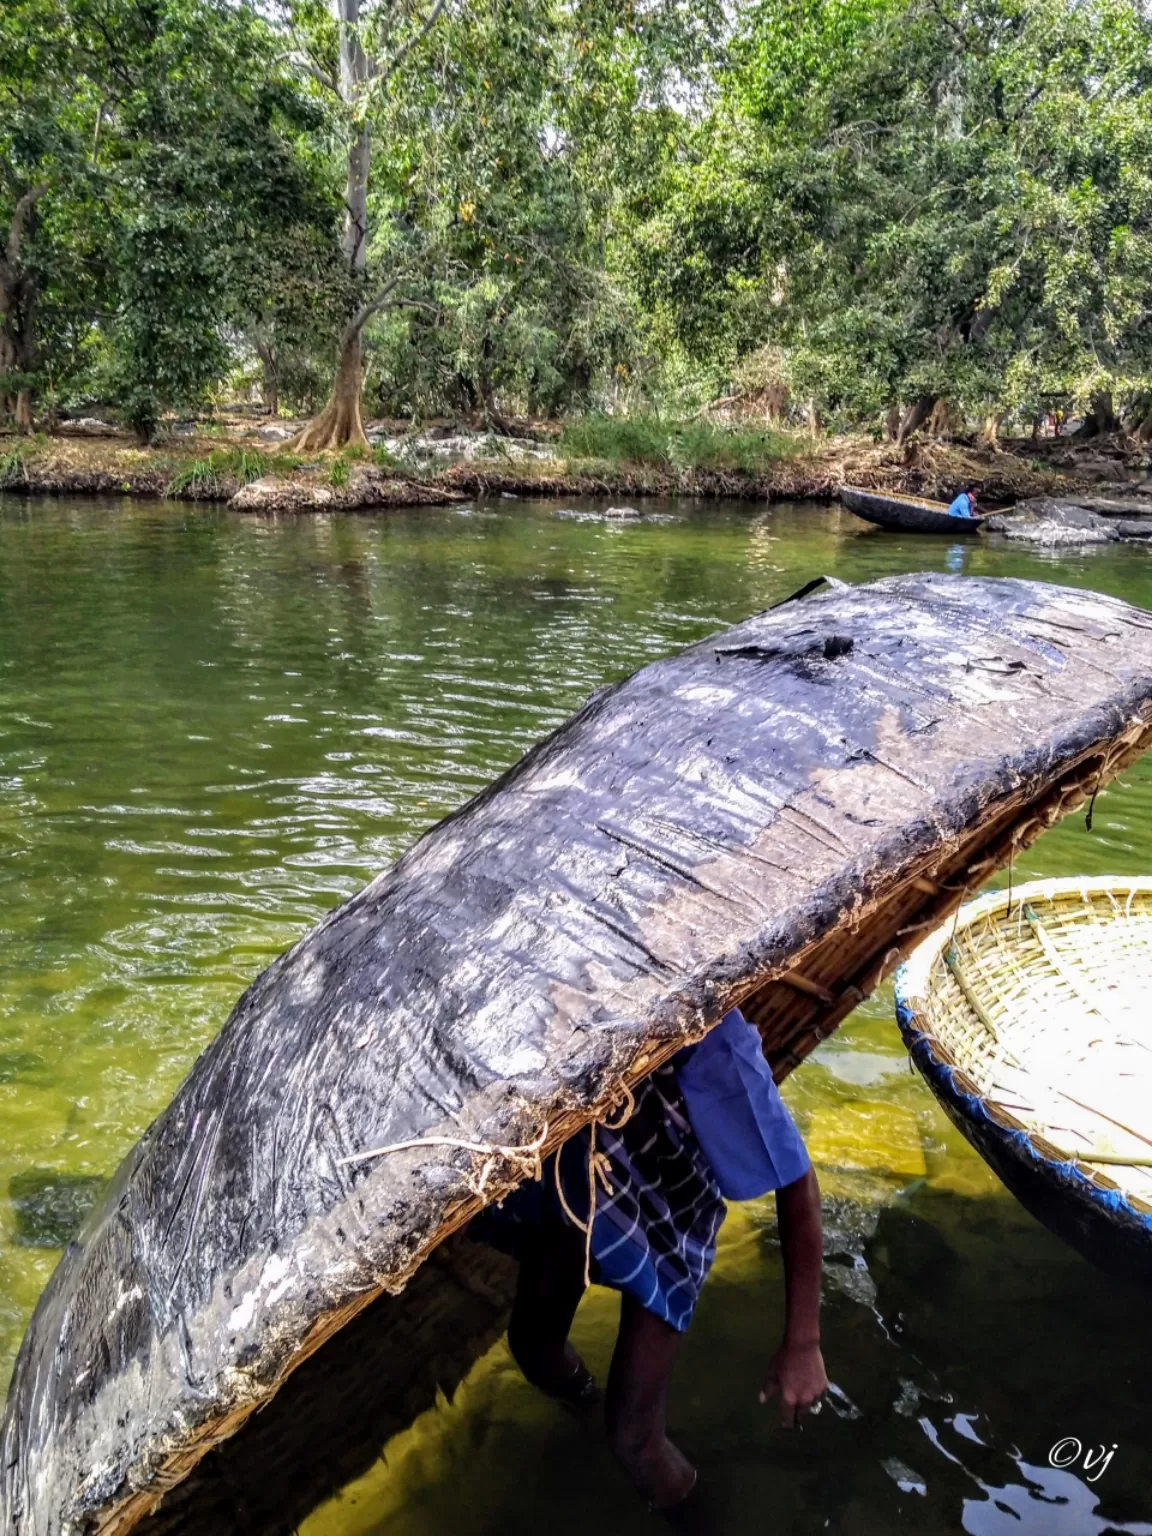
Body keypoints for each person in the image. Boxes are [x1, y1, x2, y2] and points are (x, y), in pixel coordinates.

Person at [473, 1007, 827, 1511]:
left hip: (671, 1215)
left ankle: (700, 1518)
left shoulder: (710, 1036)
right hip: (584, 1186)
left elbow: (796, 1180)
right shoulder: (553, 991)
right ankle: (585, 1406)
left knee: (634, 1439)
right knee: (533, 1346)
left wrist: (802, 1340)